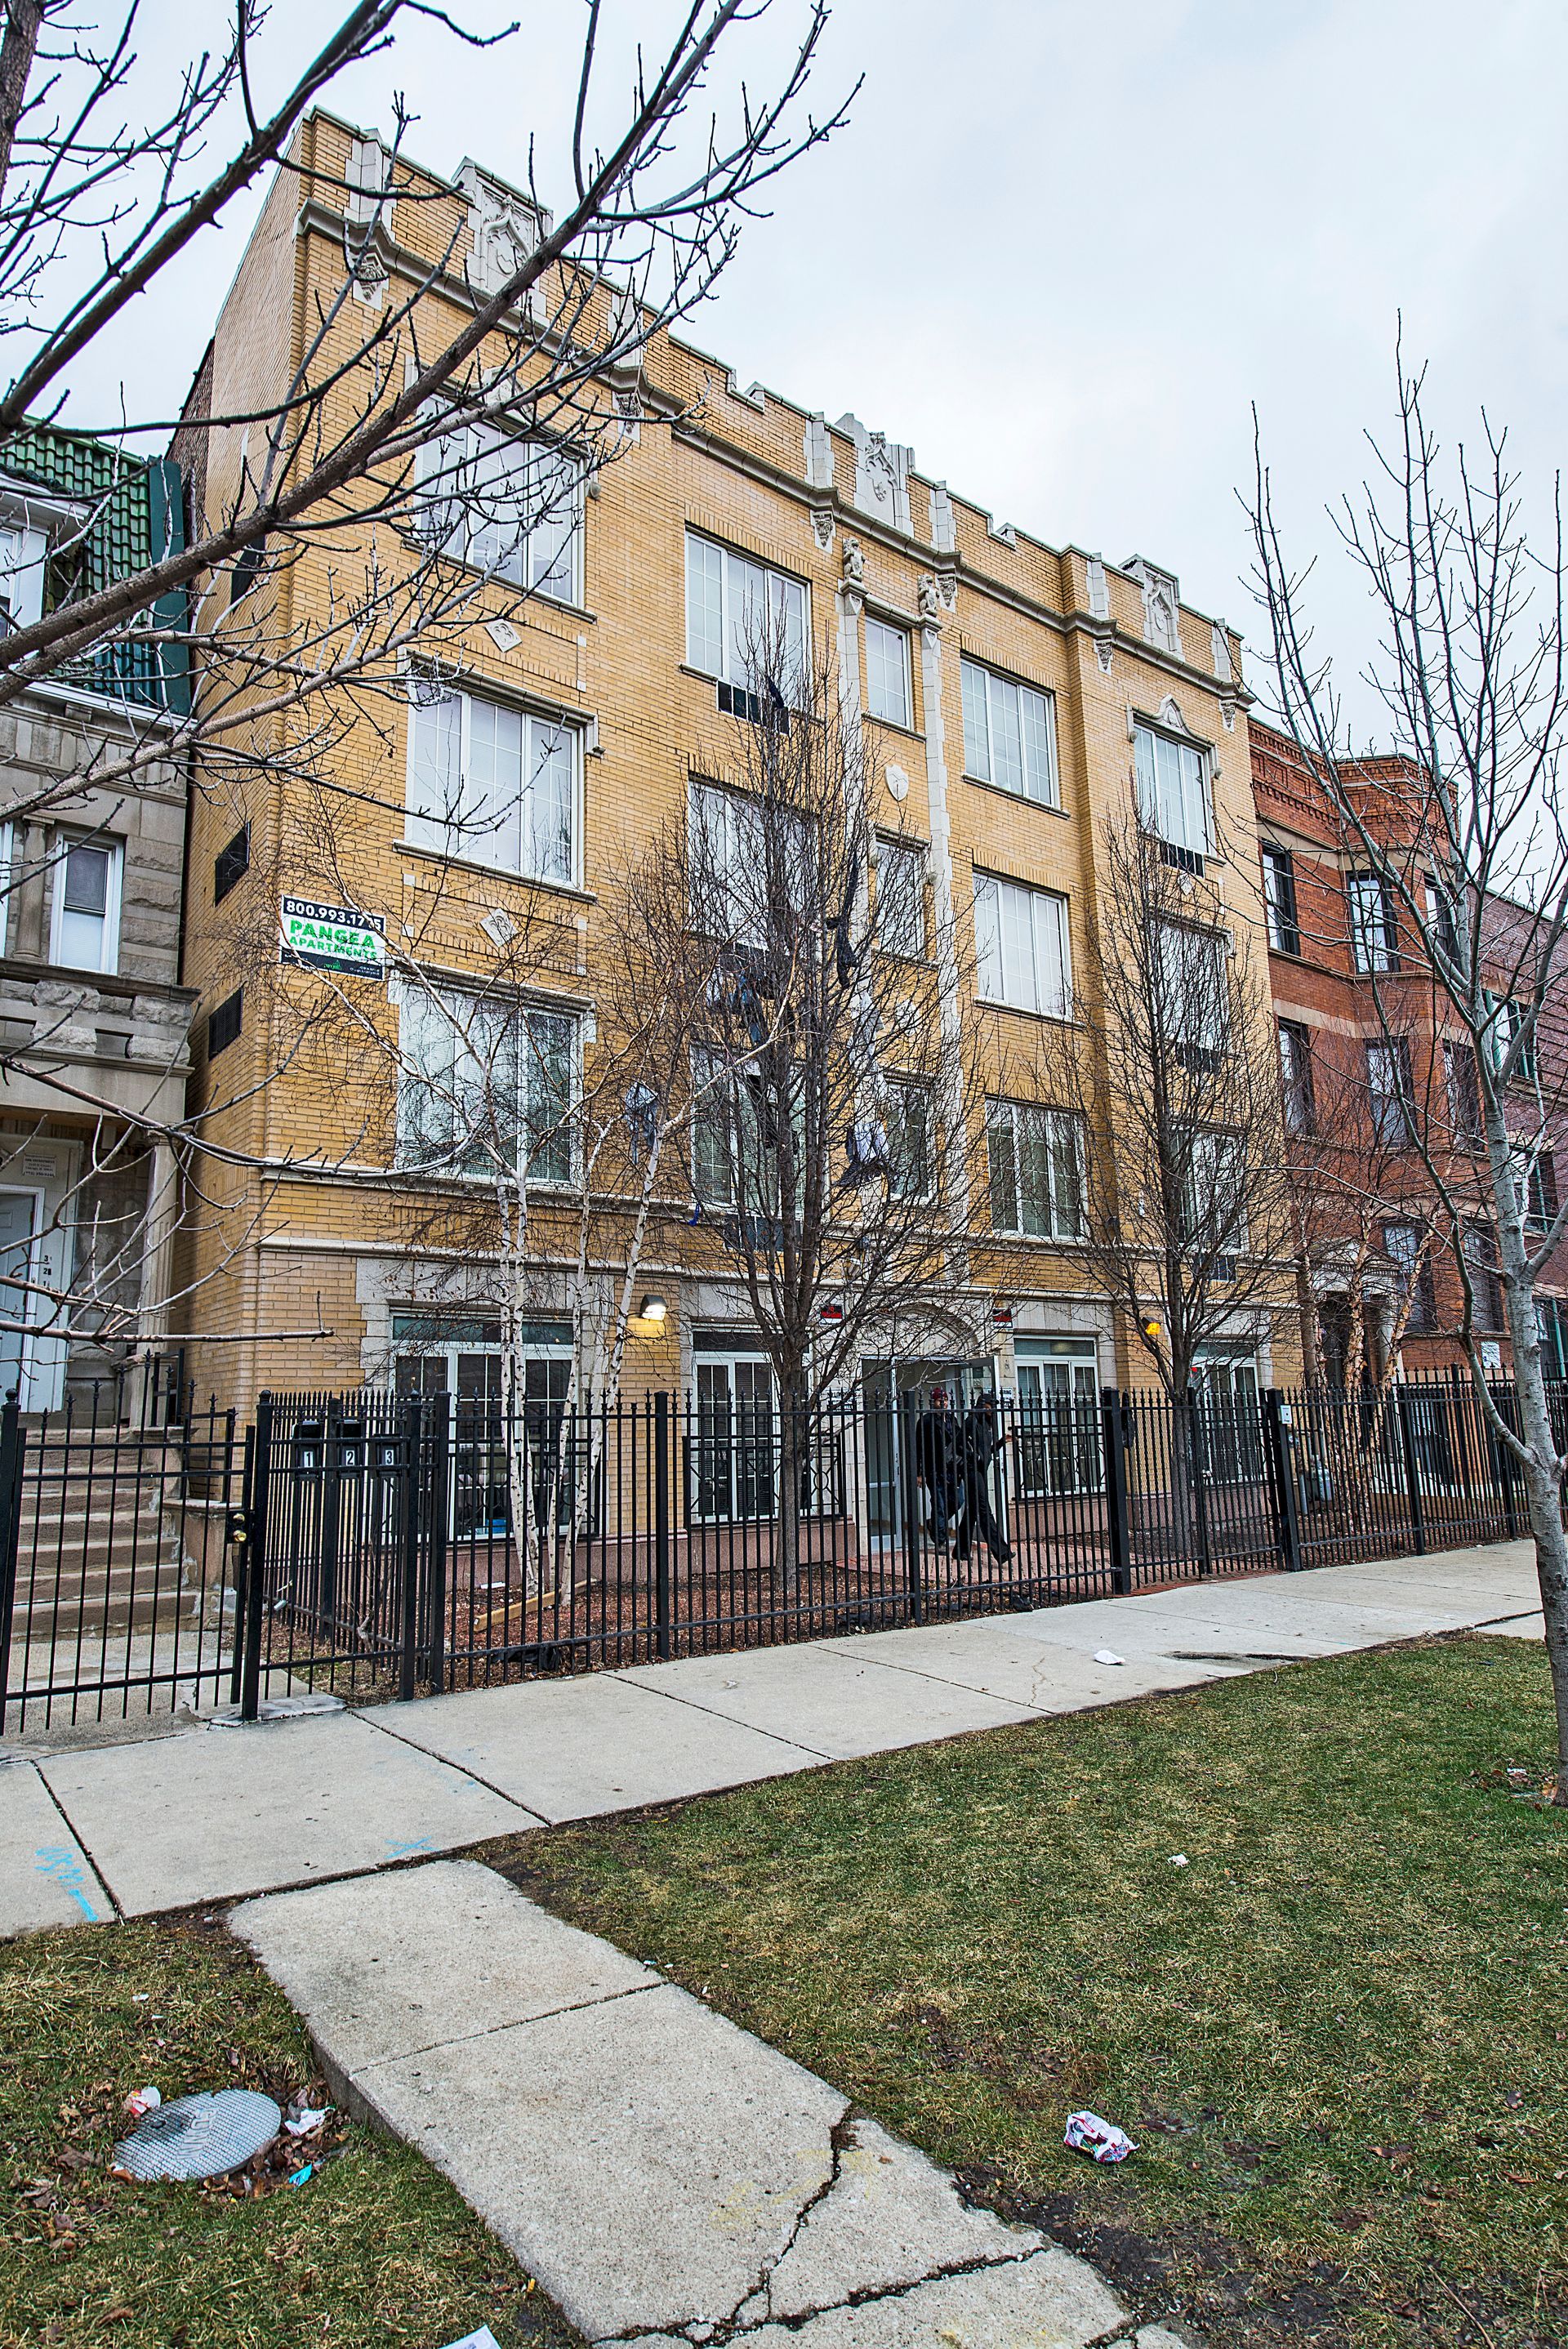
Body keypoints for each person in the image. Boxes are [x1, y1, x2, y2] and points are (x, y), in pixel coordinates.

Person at [955, 1393, 1011, 1564]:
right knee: (984, 1508)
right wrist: (974, 1456)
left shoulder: (987, 1424)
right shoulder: (971, 1421)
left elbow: (987, 1450)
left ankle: (960, 1550)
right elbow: (958, 1445)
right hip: (971, 1470)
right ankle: (1001, 1551)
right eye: (990, 1405)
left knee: (972, 1510)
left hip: (981, 1470)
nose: (992, 1409)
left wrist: (1001, 1442)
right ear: (982, 1405)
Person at [913, 1386, 960, 1547]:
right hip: (934, 1469)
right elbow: (919, 1448)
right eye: (941, 1400)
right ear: (933, 1402)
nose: (944, 1403)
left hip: (952, 1469)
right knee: (939, 1504)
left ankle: (933, 1523)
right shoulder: (926, 1421)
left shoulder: (952, 1419)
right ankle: (940, 1540)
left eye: (945, 1400)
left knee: (958, 1499)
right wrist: (920, 1473)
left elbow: (958, 1441)